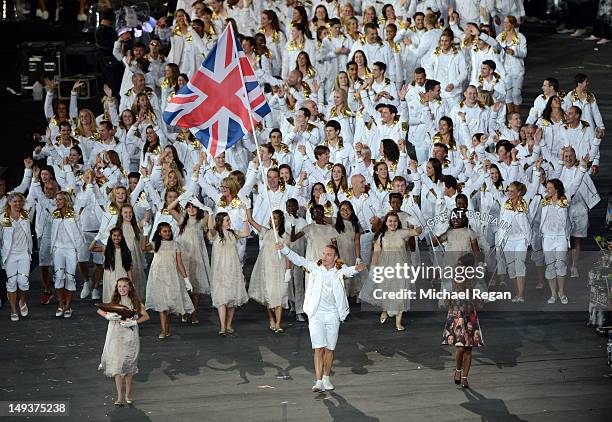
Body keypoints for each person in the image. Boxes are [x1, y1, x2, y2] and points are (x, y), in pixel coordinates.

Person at [275, 241, 366, 392]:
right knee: (318, 348)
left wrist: (356, 269)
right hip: (316, 314)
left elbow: (349, 271)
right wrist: (284, 249)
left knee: (329, 349)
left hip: (333, 314)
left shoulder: (339, 270)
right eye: (323, 253)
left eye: (328, 255)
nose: (324, 256)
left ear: (335, 257)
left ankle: (326, 378)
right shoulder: (315, 267)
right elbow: (298, 259)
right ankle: (318, 381)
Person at [97, 278, 150, 406]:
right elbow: (99, 309)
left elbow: (146, 316)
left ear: (129, 287)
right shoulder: (115, 301)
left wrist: (134, 322)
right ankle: (119, 397)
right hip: (116, 334)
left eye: (124, 286)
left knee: (128, 364)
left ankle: (128, 394)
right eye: (120, 286)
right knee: (117, 365)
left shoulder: (135, 302)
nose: (122, 289)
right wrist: (108, 316)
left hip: (130, 336)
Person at [142, 222, 194, 339]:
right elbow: (143, 248)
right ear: (159, 233)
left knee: (170, 302)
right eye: (165, 231)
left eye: (169, 231)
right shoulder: (156, 244)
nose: (168, 233)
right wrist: (145, 233)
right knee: (162, 303)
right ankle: (164, 330)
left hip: (171, 276)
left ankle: (168, 327)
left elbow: (179, 263)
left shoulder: (175, 245)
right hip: (158, 276)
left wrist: (186, 279)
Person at [441, 254, 484, 389]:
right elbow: (448, 293)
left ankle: (465, 378)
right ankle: (458, 371)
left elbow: (479, 297)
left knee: (468, 349)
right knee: (460, 347)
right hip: (457, 312)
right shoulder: (454, 276)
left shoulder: (474, 278)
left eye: (460, 265)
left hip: (469, 313)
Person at [247, 209, 291, 333]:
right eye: (271, 218)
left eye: (275, 218)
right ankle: (271, 319)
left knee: (280, 294)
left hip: (280, 268)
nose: (272, 220)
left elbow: (288, 255)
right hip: (267, 268)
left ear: (280, 220)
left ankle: (278, 323)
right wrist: (247, 207)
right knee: (269, 295)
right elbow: (251, 221)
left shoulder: (285, 236)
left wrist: (288, 270)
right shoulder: (265, 232)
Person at [207, 211, 251, 335]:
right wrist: (210, 214)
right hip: (220, 270)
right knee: (222, 299)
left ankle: (228, 324)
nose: (229, 222)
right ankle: (222, 326)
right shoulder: (216, 234)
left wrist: (244, 219)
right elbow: (210, 229)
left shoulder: (232, 233)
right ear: (221, 222)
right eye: (227, 220)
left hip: (233, 269)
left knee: (232, 298)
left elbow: (247, 233)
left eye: (229, 220)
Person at [0, 192, 33, 321]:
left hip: (24, 253)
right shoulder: (3, 217)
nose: (18, 204)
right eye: (15, 201)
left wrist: (34, 179)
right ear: (9, 202)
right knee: (12, 283)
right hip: (10, 255)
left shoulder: (26, 216)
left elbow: (32, 196)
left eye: (20, 201)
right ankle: (13, 310)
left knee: (23, 282)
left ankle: (22, 301)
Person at [90, 228, 133, 303]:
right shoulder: (106, 248)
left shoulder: (125, 250)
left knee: (122, 296)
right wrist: (96, 238)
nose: (116, 238)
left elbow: (128, 267)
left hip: (122, 275)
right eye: (114, 235)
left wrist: (130, 281)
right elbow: (91, 248)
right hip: (109, 276)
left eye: (119, 235)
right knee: (111, 295)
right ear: (110, 236)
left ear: (122, 237)